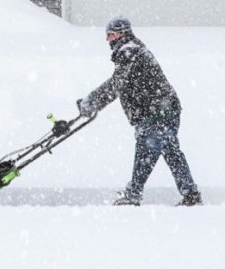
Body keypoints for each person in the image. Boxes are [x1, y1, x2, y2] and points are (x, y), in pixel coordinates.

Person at [77, 16, 202, 206]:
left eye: (110, 35)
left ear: (121, 34)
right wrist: (91, 102)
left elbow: (115, 85)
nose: (107, 40)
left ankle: (133, 193)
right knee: (171, 153)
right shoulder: (132, 52)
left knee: (146, 150)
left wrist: (91, 102)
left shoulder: (130, 52)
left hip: (157, 113)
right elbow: (117, 84)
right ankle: (190, 194)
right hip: (165, 110)